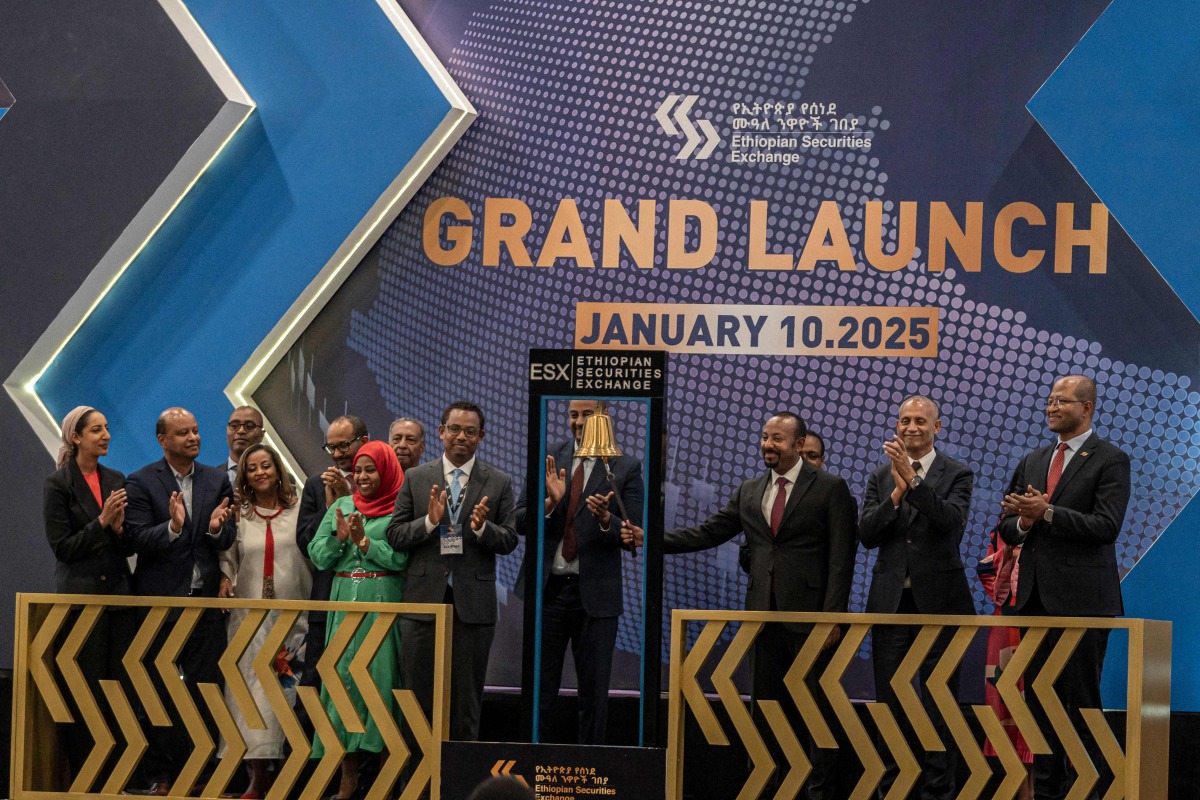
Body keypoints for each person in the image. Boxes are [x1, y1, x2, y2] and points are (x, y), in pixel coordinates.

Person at [622, 412, 857, 800]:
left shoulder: (830, 488)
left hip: (811, 620)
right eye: (765, 437)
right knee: (764, 710)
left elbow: (841, 559)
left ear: (799, 445)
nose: (767, 445)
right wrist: (650, 539)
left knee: (815, 712)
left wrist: (832, 618)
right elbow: (709, 532)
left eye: (777, 438)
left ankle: (819, 792)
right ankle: (766, 789)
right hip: (761, 618)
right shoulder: (750, 490)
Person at [999, 375, 1129, 800]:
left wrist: (1048, 512)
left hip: (1083, 604)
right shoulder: (1034, 460)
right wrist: (1024, 521)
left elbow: (1106, 526)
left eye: (1062, 401)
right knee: (1039, 705)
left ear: (1086, 407)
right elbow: (1008, 524)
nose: (1051, 407)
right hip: (1034, 600)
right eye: (1050, 400)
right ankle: (1050, 793)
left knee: (1081, 705)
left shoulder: (1110, 459)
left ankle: (1090, 793)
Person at [858, 395, 975, 799]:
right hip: (891, 606)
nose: (911, 427)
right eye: (905, 420)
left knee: (939, 705)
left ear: (936, 428)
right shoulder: (880, 475)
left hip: (940, 607)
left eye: (920, 421)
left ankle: (938, 792)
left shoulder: (957, 473)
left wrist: (915, 481)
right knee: (890, 704)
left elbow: (950, 525)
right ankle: (892, 791)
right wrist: (895, 493)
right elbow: (867, 534)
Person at [387, 401, 519, 742]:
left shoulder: (499, 482)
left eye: (470, 431)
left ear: (481, 437)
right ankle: (417, 774)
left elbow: (509, 540)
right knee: (416, 698)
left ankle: (461, 772)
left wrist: (482, 528)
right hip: (422, 603)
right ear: (441, 432)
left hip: (473, 606)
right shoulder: (417, 478)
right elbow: (395, 535)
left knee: (465, 700)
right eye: (455, 429)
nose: (462, 437)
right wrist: (430, 522)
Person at [515, 400, 644, 744]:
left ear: (604, 417)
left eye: (587, 415)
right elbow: (519, 520)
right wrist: (550, 503)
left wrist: (606, 519)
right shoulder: (548, 457)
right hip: (548, 592)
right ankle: (534, 764)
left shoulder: (625, 466)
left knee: (594, 693)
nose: (579, 421)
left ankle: (592, 764)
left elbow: (634, 534)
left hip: (596, 596)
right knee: (539, 691)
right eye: (574, 414)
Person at [123, 407, 236, 795]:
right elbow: (135, 539)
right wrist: (171, 528)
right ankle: (162, 774)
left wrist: (217, 529)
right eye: (183, 432)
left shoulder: (217, 480)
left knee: (205, 690)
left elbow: (227, 537)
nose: (193, 438)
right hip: (160, 606)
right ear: (163, 440)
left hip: (205, 607)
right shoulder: (140, 481)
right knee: (157, 692)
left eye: (196, 431)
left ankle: (201, 773)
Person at [308, 440, 407, 800]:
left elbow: (401, 559)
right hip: (342, 604)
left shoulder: (400, 508)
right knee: (340, 686)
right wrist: (339, 539)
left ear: (387, 471)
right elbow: (318, 555)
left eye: (371, 470)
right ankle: (347, 782)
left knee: (379, 686)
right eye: (359, 470)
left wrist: (365, 544)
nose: (363, 477)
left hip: (381, 603)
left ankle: (384, 783)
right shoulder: (342, 505)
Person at [42, 405, 135, 782]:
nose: (106, 435)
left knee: (120, 691)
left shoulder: (116, 478)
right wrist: (101, 522)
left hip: (119, 597)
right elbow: (62, 548)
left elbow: (127, 546)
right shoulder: (58, 483)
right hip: (82, 602)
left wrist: (119, 530)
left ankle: (119, 778)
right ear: (76, 437)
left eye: (107, 428)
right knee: (86, 691)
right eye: (96, 430)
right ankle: (87, 778)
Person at [216, 444, 311, 799]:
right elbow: (228, 558)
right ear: (244, 476)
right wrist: (225, 579)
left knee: (286, 693)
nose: (260, 472)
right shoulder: (239, 515)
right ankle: (257, 776)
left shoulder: (300, 510)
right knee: (250, 695)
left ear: (278, 469)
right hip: (249, 622)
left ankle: (290, 776)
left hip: (293, 621)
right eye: (252, 468)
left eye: (266, 465)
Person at [297, 415, 369, 689]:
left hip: (371, 598)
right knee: (315, 679)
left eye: (343, 446)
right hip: (327, 598)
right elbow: (305, 543)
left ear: (364, 441)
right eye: (331, 447)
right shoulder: (316, 485)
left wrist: (349, 498)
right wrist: (331, 507)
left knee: (364, 678)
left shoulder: (382, 483)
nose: (337, 454)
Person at [978, 523, 1034, 800]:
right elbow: (994, 588)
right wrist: (1010, 555)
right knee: (1009, 710)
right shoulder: (1004, 529)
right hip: (1007, 627)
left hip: (1044, 624)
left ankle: (1042, 791)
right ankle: (1023, 793)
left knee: (1043, 711)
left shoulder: (1059, 521)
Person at [226, 406, 265, 488]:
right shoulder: (209, 478)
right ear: (227, 431)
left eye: (249, 426)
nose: (241, 431)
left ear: (261, 435)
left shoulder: (277, 479)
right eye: (234, 426)